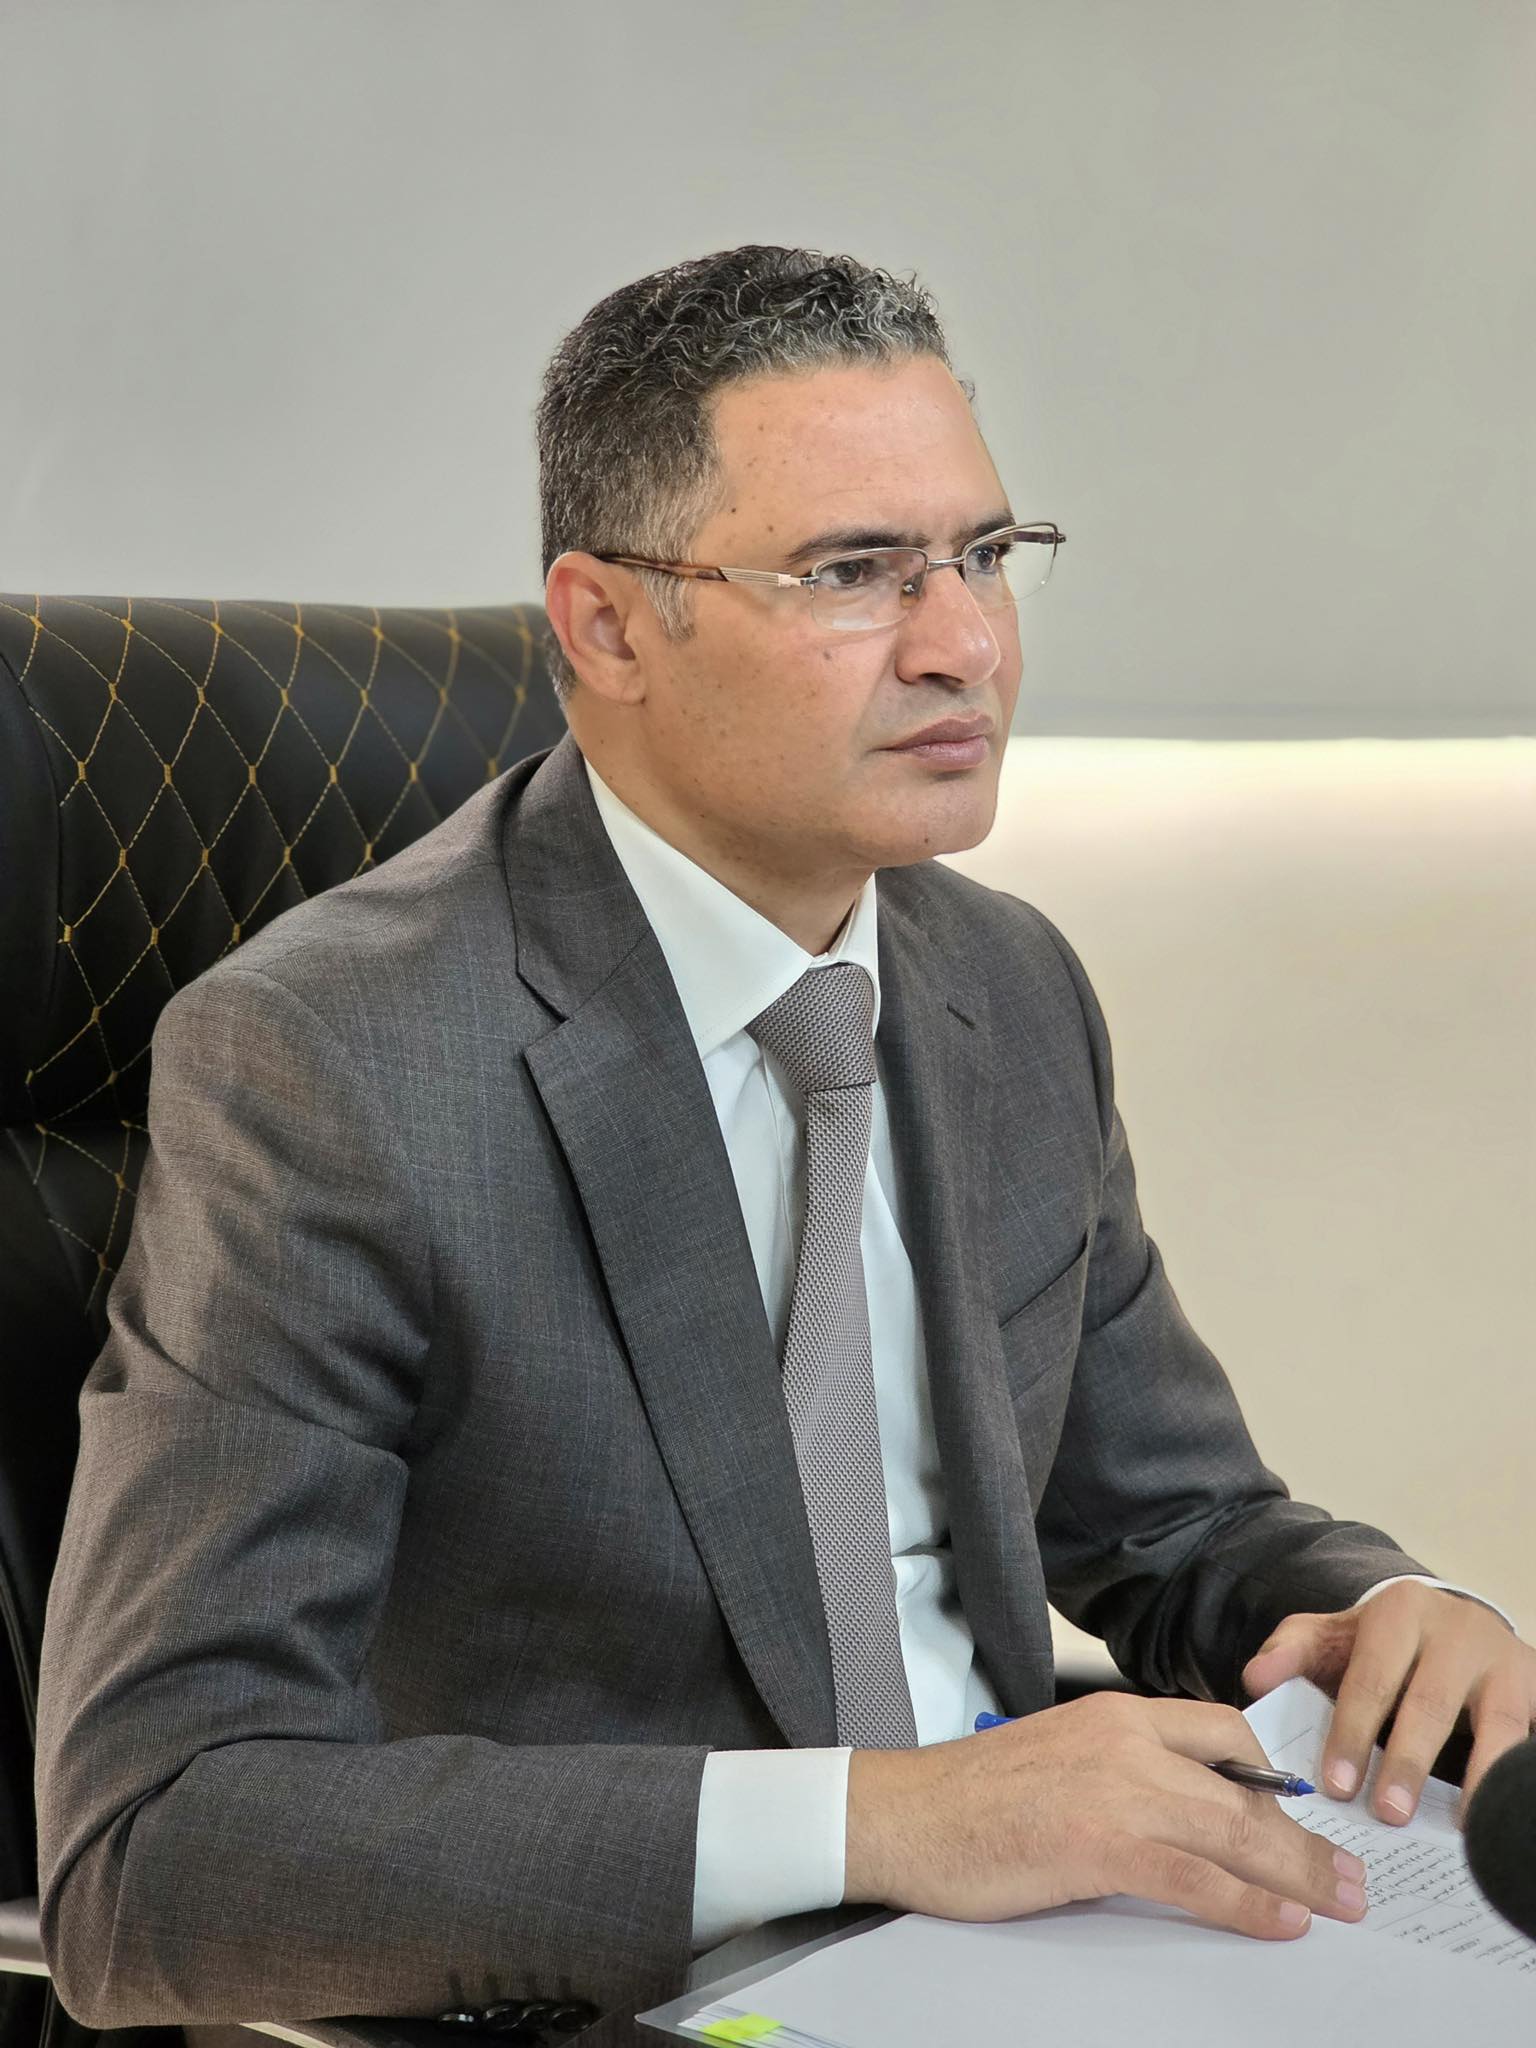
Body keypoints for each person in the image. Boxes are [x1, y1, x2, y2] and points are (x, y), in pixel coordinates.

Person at [35, 246, 1536, 2045]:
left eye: (984, 555)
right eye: (851, 573)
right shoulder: (332, 1062)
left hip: (1037, 1958)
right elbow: (158, 1853)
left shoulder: (1002, 984)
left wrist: (1385, 1611)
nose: (965, 644)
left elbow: (1178, 1521)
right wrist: (891, 1822)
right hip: (618, 1992)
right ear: (606, 627)